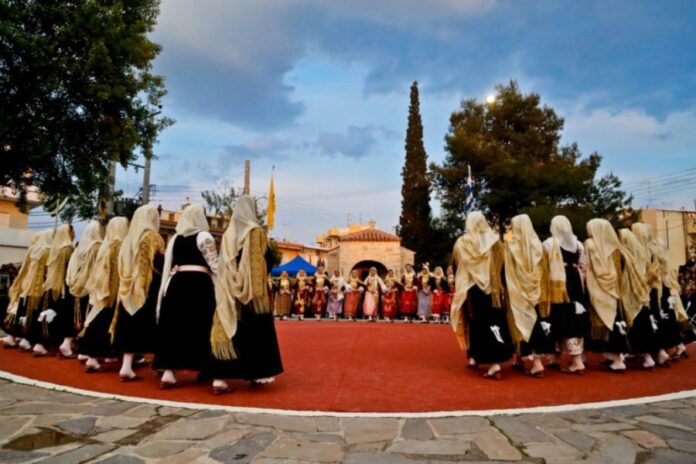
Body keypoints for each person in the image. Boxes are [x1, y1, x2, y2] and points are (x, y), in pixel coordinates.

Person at [206, 195, 283, 395]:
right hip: (252, 293)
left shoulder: (228, 235)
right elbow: (263, 261)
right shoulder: (256, 232)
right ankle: (257, 374)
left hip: (229, 290)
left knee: (228, 329)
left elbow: (223, 264)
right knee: (256, 332)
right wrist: (256, 293)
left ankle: (219, 379)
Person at [154, 204, 218, 389]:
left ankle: (168, 373)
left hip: (176, 284)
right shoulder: (204, 236)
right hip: (199, 285)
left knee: (174, 327)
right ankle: (204, 368)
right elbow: (214, 264)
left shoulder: (175, 238)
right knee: (202, 325)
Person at [450, 211, 512, 380]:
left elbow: (456, 266)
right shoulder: (495, 243)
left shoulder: (462, 243)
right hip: (492, 289)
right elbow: (502, 267)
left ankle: (492, 363)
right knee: (495, 321)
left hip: (472, 289)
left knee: (476, 323)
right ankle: (476, 356)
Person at [111, 204, 165, 382]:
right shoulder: (153, 237)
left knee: (129, 322)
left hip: (128, 286)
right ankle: (162, 365)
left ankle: (126, 366)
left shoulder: (128, 239)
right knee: (154, 323)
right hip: (148, 286)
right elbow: (158, 262)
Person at [506, 214, 554, 378]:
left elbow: (507, 270)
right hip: (537, 291)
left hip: (518, 292)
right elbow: (545, 271)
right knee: (536, 322)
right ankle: (520, 359)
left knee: (522, 324)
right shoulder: (539, 246)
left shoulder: (511, 245)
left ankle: (536, 364)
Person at [79, 217, 129, 372]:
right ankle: (94, 357)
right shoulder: (121, 245)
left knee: (99, 320)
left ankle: (102, 355)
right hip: (114, 292)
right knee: (107, 323)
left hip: (103, 291)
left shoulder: (107, 246)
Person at [632, 223, 685, 365]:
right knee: (664, 317)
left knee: (652, 319)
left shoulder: (642, 250)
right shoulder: (657, 247)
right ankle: (671, 347)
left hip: (650, 289)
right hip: (662, 286)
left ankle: (660, 350)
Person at [542, 216, 589, 374]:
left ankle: (576, 361)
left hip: (557, 282)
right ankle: (557, 357)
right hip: (575, 280)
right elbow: (583, 265)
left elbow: (543, 264)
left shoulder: (549, 243)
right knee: (573, 315)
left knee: (560, 316)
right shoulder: (578, 244)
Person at [584, 218, 630, 373]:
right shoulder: (615, 248)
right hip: (613, 291)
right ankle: (618, 356)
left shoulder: (590, 245)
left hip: (597, 290)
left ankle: (616, 359)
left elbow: (586, 266)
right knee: (615, 321)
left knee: (601, 323)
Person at [29, 224, 75, 357]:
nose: (74, 234)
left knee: (47, 315)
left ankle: (40, 344)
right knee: (64, 316)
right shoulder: (68, 249)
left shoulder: (54, 249)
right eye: (72, 232)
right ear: (67, 232)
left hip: (49, 286)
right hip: (63, 289)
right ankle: (65, 344)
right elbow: (70, 270)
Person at [618, 228, 658, 370]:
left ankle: (647, 358)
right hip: (643, 294)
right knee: (644, 325)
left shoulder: (624, 255)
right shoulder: (641, 255)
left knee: (637, 327)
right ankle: (646, 356)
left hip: (631, 296)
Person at [63, 220, 104, 358]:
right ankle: (84, 350)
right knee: (88, 318)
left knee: (74, 316)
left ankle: (67, 343)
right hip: (89, 287)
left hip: (75, 285)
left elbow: (72, 268)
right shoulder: (97, 247)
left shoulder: (78, 248)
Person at [3, 231, 42, 348]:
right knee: (28, 312)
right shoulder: (40, 252)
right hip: (33, 286)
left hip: (23, 284)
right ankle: (24, 338)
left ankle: (13, 336)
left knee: (18, 310)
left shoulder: (30, 251)